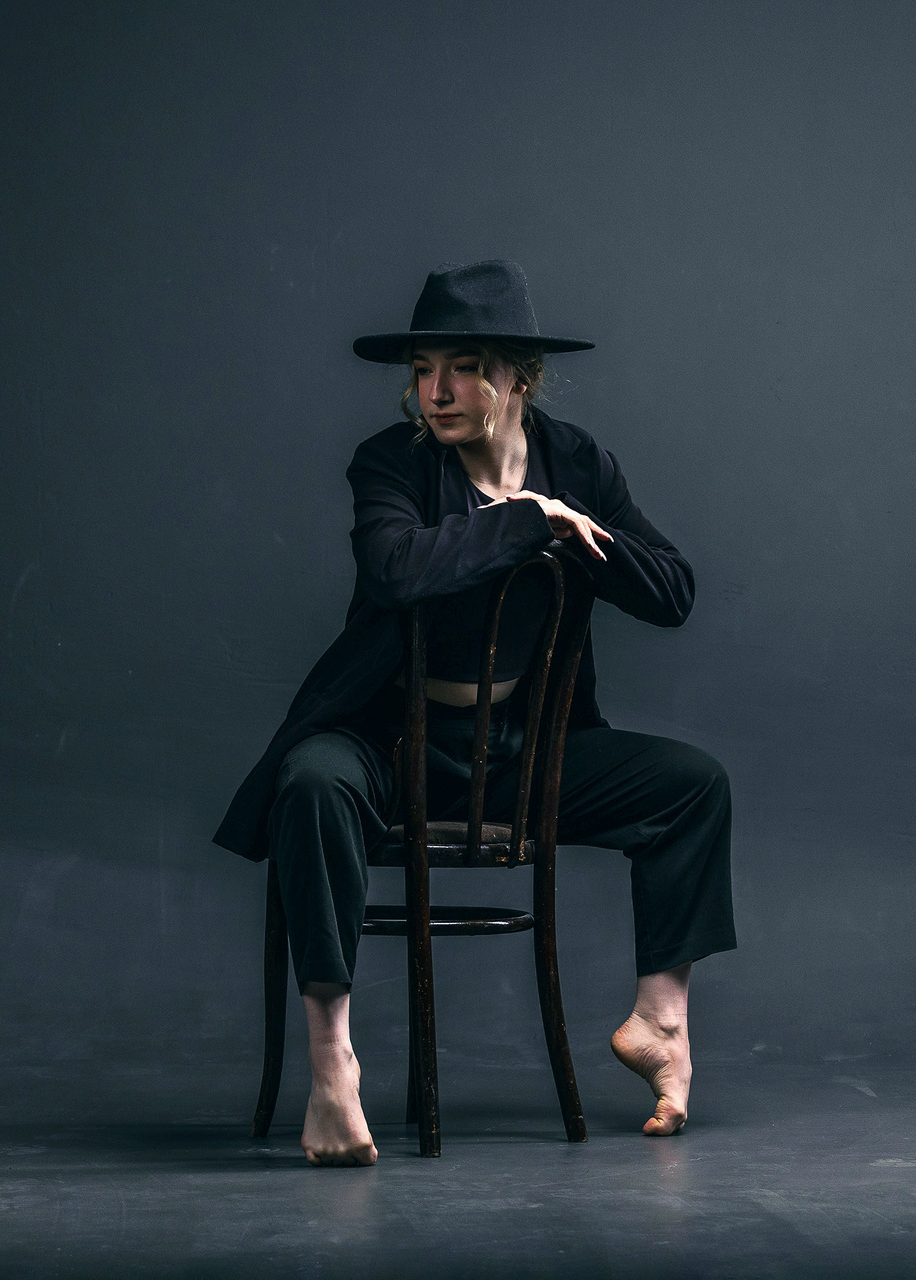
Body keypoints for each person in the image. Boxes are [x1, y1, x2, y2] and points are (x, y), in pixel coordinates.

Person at [213, 260, 736, 1166]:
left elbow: (672, 592)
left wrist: (576, 525)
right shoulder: (392, 463)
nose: (438, 391)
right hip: (390, 742)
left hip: (520, 755)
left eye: (464, 367)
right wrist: (527, 520)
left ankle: (661, 1022)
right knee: (311, 784)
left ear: (519, 378)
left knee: (692, 786)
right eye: (423, 370)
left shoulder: (578, 463)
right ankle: (333, 1067)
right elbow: (395, 569)